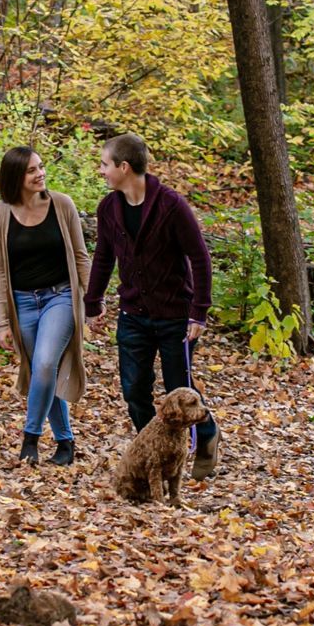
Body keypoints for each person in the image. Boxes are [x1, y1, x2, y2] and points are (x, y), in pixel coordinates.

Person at [83, 132, 220, 479]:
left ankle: (206, 434)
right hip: (133, 314)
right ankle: (156, 451)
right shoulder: (108, 208)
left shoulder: (171, 206)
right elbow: (103, 256)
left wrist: (198, 311)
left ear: (124, 167)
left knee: (179, 387)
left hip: (175, 314)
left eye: (104, 164)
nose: (101, 171)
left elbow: (200, 258)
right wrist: (93, 301)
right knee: (134, 390)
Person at [0, 146, 90, 465]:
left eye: (41, 167)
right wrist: (2, 322)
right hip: (22, 304)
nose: (40, 173)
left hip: (60, 296)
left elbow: (82, 256)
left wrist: (94, 301)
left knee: (44, 363)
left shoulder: (62, 205)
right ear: (16, 176)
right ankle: (65, 443)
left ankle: (30, 437)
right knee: (44, 372)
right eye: (32, 170)